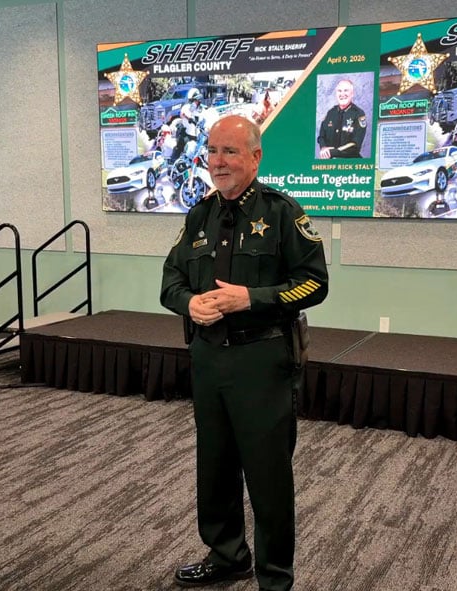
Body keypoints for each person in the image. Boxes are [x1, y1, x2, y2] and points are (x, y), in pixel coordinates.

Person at [161, 115, 329, 591]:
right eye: (213, 151)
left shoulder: (281, 213)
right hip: (208, 360)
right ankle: (227, 554)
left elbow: (315, 283)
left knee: (267, 475)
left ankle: (275, 578)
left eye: (230, 152)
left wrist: (251, 299)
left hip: (263, 362)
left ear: (255, 157)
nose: (219, 162)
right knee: (213, 466)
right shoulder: (199, 215)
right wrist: (189, 303)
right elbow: (169, 283)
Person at [317, 78, 366, 159]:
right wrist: (323, 148)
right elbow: (321, 136)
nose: (342, 94)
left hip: (350, 163)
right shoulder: (330, 113)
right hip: (329, 162)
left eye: (346, 90)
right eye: (339, 91)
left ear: (352, 93)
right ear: (336, 94)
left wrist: (332, 152)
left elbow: (355, 145)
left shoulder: (358, 114)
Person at [171, 87, 206, 165]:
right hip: (187, 134)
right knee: (180, 146)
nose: (193, 103)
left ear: (199, 100)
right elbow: (182, 114)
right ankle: (173, 164)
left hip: (198, 137)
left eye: (194, 101)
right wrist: (189, 118)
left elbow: (206, 119)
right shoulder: (186, 107)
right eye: (191, 101)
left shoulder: (203, 110)